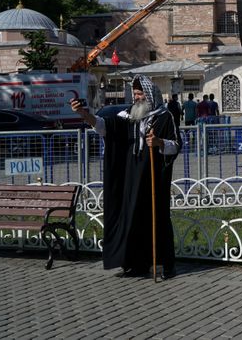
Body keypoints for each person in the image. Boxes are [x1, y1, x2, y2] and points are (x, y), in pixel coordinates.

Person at [71, 75, 182, 278]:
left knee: (156, 218)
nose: (137, 98)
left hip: (153, 176)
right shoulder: (128, 116)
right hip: (130, 175)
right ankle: (133, 264)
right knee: (130, 216)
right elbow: (104, 126)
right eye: (135, 94)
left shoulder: (164, 117)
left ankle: (163, 265)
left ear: (150, 95)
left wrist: (158, 142)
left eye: (140, 94)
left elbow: (176, 145)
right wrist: (83, 113)